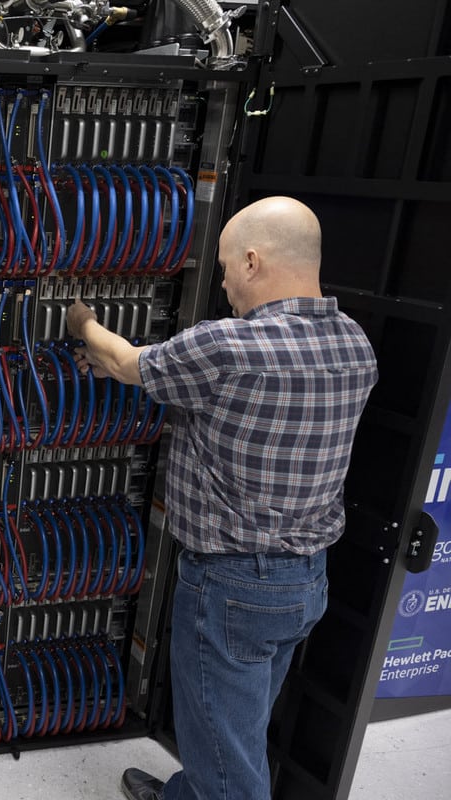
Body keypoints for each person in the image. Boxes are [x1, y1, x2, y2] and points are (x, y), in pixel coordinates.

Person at [65, 196, 378, 800]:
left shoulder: (228, 347)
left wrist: (82, 323)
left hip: (231, 586)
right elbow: (254, 408)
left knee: (229, 767)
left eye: (229, 266)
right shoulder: (353, 345)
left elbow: (126, 361)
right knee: (234, 727)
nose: (226, 281)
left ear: (255, 262)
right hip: (305, 582)